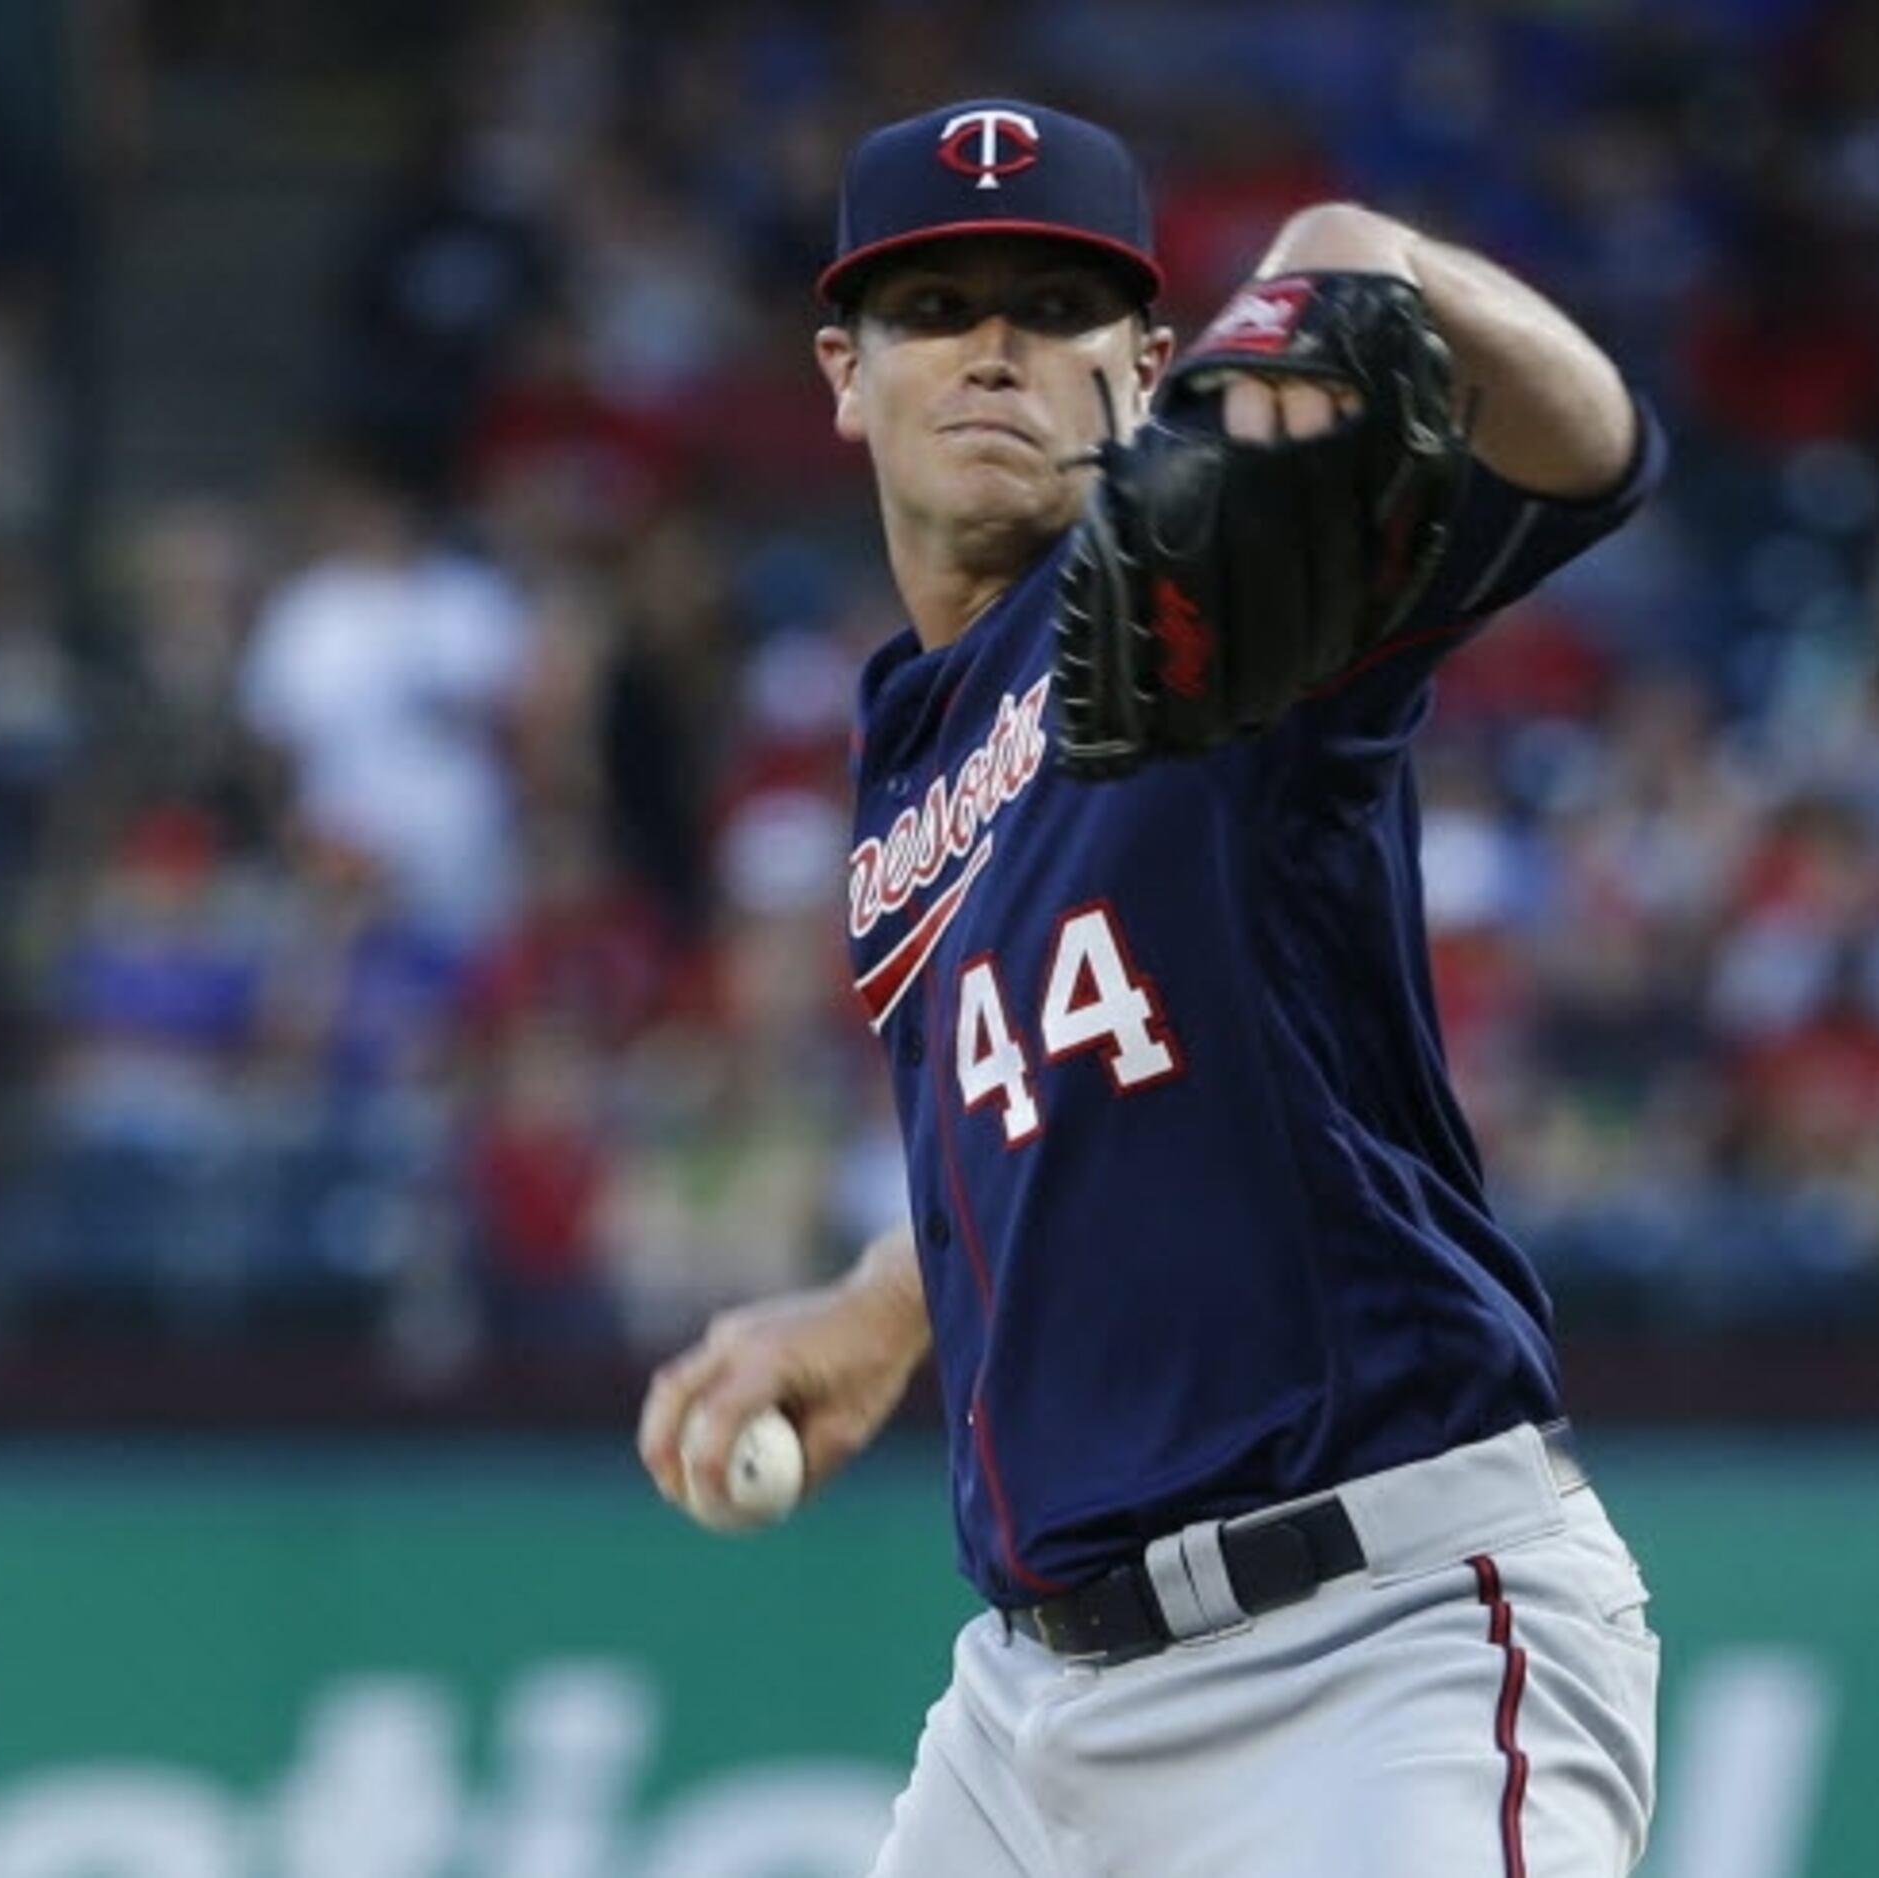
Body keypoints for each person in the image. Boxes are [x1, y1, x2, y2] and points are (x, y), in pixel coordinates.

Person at [638, 97, 1665, 1875]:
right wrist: (887, 1311)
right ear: (843, 372)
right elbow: (1085, 1099)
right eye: (935, 308)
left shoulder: (1216, 586)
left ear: (1149, 361)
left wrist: (1388, 265)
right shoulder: (904, 740)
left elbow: (1592, 453)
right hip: (1034, 1719)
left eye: (1052, 306)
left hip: (1372, 1644)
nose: (993, 351)